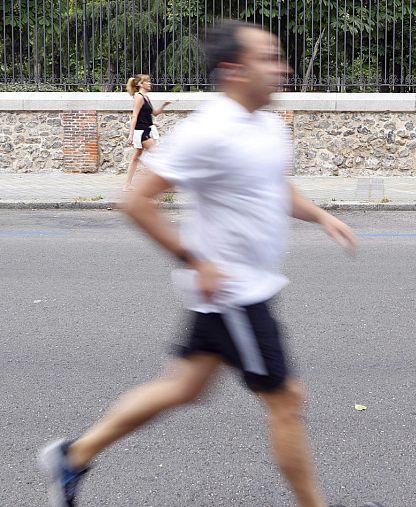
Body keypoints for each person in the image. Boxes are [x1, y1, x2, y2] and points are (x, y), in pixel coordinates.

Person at [40, 21, 364, 507]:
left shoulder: (270, 124)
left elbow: (274, 187)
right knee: (287, 401)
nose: (283, 68)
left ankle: (75, 456)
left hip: (241, 290)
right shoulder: (207, 132)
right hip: (235, 294)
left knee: (184, 387)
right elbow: (136, 202)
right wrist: (195, 261)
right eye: (268, 59)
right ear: (234, 70)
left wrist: (319, 215)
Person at [124, 74, 171, 191]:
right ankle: (161, 184)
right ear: (141, 84)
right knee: (158, 154)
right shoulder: (139, 97)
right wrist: (131, 135)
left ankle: (127, 185)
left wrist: (164, 105)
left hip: (147, 130)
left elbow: (154, 113)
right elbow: (134, 116)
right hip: (141, 132)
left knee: (136, 158)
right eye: (147, 81)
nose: (150, 83)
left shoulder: (146, 98)